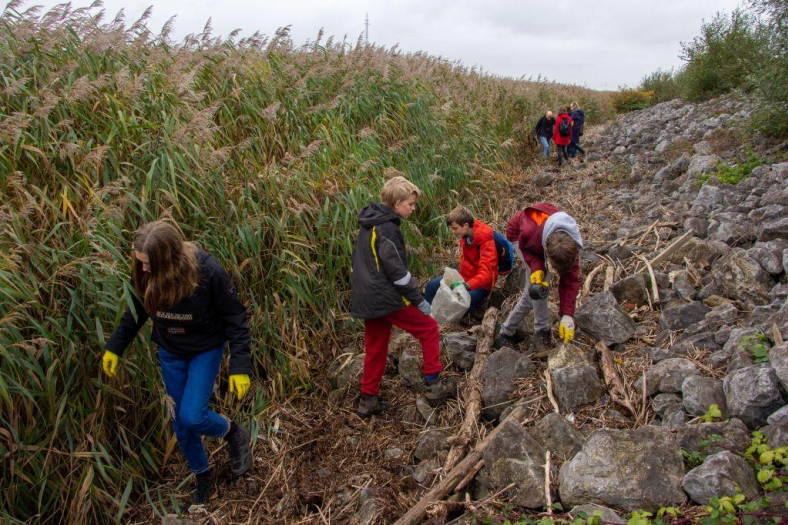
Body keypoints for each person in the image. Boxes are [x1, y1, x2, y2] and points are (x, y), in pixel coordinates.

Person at [102, 221, 254, 507]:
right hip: (171, 352)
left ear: (167, 258)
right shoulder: (145, 272)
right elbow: (137, 310)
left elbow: (236, 318)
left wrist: (239, 366)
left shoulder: (208, 271)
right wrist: (115, 347)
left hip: (204, 350)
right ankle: (202, 477)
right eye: (140, 263)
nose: (144, 270)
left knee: (193, 416)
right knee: (180, 424)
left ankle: (233, 432)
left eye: (148, 264)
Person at [350, 176, 456, 417]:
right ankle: (434, 384)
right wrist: (418, 300)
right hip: (385, 297)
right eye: (410, 203)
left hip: (367, 298)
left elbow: (358, 265)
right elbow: (397, 273)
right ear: (396, 203)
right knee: (428, 329)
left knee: (375, 347)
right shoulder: (388, 228)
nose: (413, 208)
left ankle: (368, 400)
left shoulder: (368, 225)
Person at [495, 203, 583, 353]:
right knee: (540, 286)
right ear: (546, 252)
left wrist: (568, 315)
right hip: (519, 235)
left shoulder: (570, 243)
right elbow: (527, 249)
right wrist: (537, 269)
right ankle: (541, 330)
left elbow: (571, 280)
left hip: (542, 233)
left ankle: (506, 331)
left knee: (532, 294)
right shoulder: (530, 233)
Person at [424, 206, 498, 314]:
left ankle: (442, 325)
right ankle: (425, 316)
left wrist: (466, 286)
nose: (453, 232)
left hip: (480, 286)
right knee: (432, 285)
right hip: (463, 278)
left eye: (455, 228)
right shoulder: (467, 236)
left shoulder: (485, 241)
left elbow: (486, 274)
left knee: (458, 304)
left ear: (466, 225)